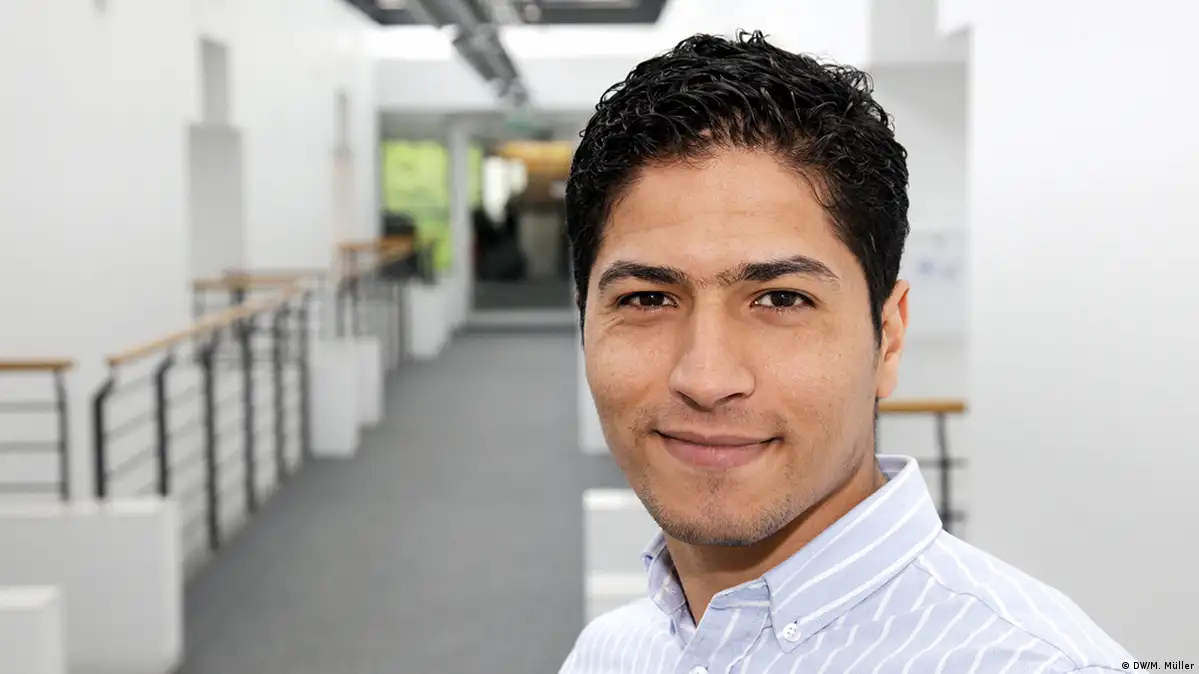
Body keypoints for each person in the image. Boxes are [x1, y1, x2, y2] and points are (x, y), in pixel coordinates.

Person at [559, 31, 1131, 673]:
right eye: (647, 299)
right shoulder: (610, 653)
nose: (706, 377)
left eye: (781, 299)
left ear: (889, 337)